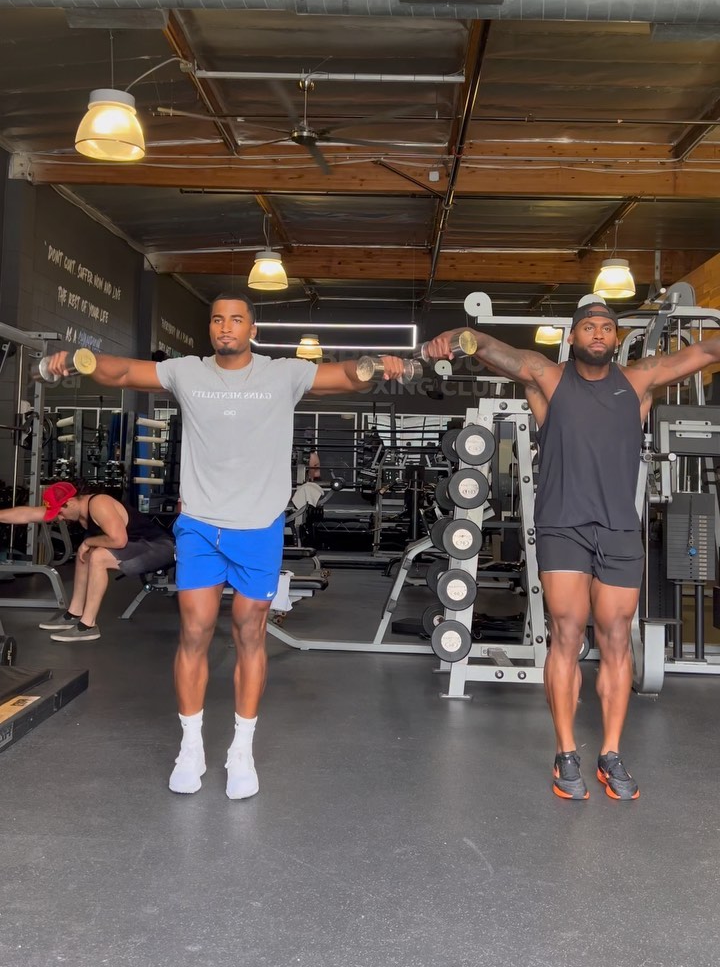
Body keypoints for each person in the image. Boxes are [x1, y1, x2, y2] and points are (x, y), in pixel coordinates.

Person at [45, 294, 406, 800]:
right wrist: (78, 361)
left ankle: (242, 749)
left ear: (252, 329)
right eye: (217, 319)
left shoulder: (283, 374)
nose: (226, 327)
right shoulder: (187, 372)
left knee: (249, 634)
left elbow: (347, 376)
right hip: (200, 526)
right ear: (210, 327)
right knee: (193, 632)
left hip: (258, 528)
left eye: (236, 319)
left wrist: (378, 366)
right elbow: (123, 371)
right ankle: (191, 746)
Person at [427, 299, 720, 802]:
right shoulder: (549, 377)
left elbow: (707, 351)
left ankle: (611, 752)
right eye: (589, 327)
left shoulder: (638, 380)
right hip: (562, 527)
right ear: (573, 337)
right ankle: (565, 752)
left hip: (619, 529)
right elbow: (494, 349)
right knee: (565, 633)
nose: (599, 333)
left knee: (616, 638)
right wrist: (454, 338)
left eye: (606, 327)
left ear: (615, 338)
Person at [0, 481, 174, 641]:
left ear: (70, 502)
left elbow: (119, 540)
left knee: (97, 555)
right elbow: (27, 514)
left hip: (159, 548)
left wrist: (88, 542)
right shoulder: (73, 509)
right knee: (86, 553)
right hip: (136, 545)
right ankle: (74, 614)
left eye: (60, 513)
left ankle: (88, 626)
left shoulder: (99, 504)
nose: (59, 518)